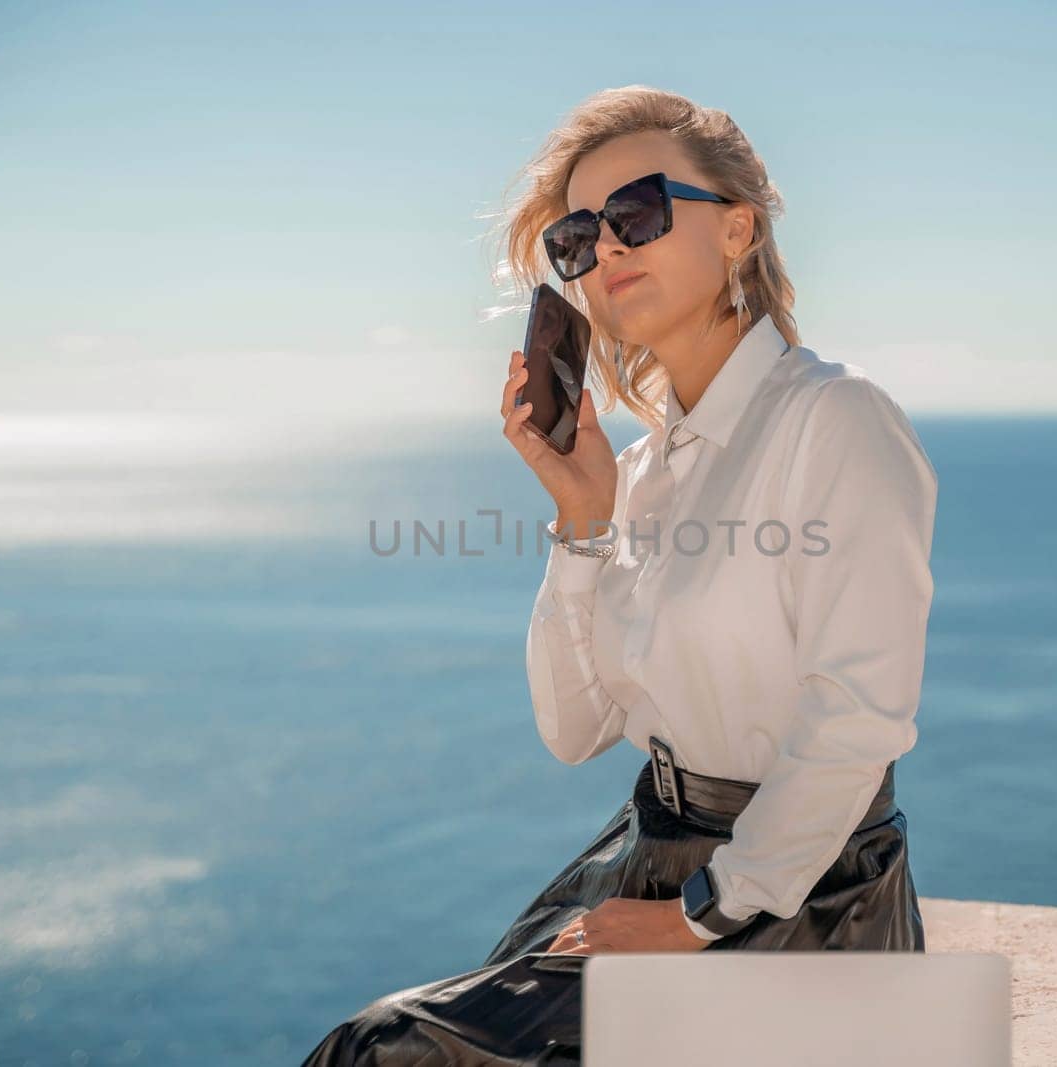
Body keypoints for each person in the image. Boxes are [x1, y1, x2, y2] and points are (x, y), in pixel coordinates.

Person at [299, 84, 937, 1066]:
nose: (605, 250)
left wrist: (698, 916)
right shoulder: (638, 473)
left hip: (800, 898)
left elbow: (857, 715)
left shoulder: (836, 422)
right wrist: (583, 519)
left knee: (386, 1050)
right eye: (577, 238)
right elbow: (574, 729)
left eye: (635, 212)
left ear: (737, 230)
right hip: (650, 853)